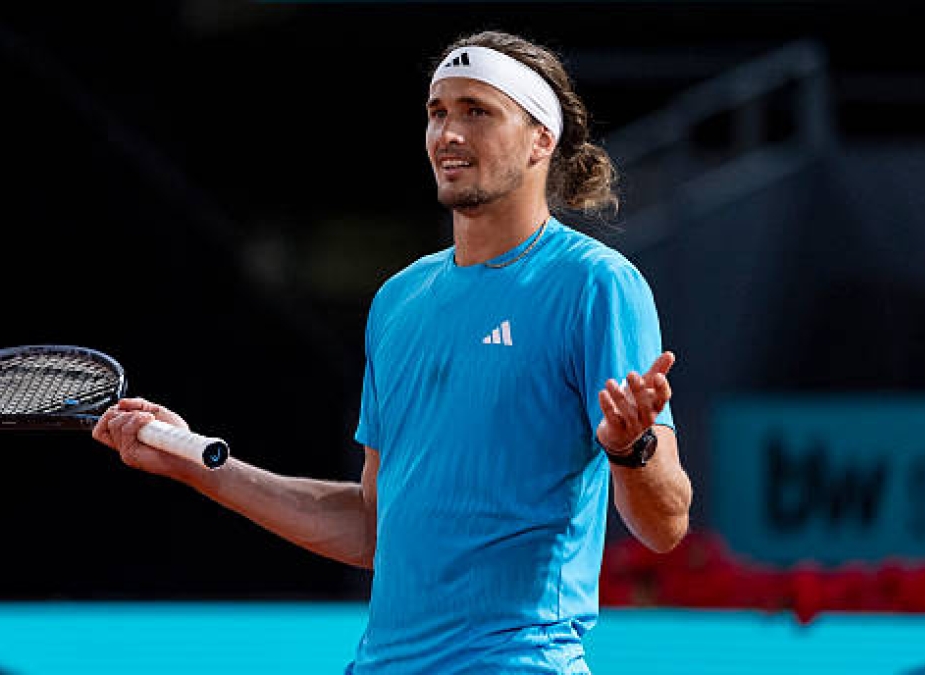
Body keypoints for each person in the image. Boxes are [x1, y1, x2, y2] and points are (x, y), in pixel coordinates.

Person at [94, 30, 692, 674]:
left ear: (541, 139)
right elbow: (373, 527)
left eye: (477, 111)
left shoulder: (596, 284)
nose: (448, 133)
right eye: (438, 112)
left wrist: (632, 449)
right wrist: (196, 463)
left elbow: (666, 524)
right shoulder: (399, 301)